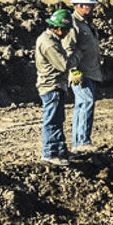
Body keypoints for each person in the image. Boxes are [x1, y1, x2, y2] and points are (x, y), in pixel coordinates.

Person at [35, 9, 80, 166]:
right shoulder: (49, 44)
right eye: (66, 30)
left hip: (55, 85)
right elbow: (64, 65)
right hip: (51, 86)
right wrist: (77, 56)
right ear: (59, 28)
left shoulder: (50, 39)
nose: (67, 34)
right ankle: (50, 153)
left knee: (58, 119)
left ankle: (60, 150)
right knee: (52, 121)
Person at [64, 0, 102, 152]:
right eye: (89, 5)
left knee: (82, 104)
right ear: (79, 5)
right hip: (80, 72)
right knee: (86, 102)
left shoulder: (86, 24)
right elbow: (68, 49)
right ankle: (82, 142)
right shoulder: (73, 24)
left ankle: (78, 143)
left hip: (90, 71)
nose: (92, 8)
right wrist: (74, 72)